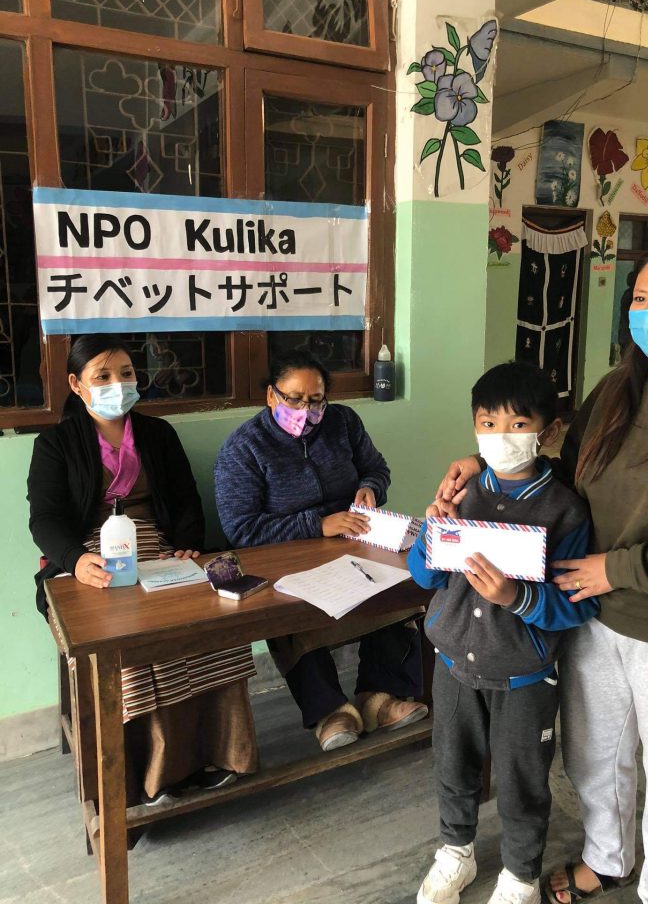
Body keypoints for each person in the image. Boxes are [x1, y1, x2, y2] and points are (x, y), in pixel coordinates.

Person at [436, 233, 648, 904]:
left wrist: (615, 569)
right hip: (588, 612)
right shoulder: (619, 389)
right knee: (595, 759)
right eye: (641, 298)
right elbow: (571, 473)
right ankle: (607, 860)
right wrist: (488, 464)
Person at [28, 335, 258, 805]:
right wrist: (76, 561)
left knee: (211, 621)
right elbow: (44, 518)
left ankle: (220, 754)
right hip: (92, 558)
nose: (118, 383)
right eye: (103, 376)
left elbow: (187, 499)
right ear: (75, 384)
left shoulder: (158, 434)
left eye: (126, 373)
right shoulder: (54, 443)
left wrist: (188, 545)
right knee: (129, 636)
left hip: (162, 550)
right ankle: (152, 777)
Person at [409, 361, 596, 904]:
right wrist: (434, 531)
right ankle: (456, 852)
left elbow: (578, 605)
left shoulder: (565, 511)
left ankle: (520, 875)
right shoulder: (463, 492)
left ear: (548, 431)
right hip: (452, 666)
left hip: (523, 676)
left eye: (517, 425)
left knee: (521, 781)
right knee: (453, 766)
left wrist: (516, 597)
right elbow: (426, 577)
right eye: (488, 424)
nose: (500, 437)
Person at [214, 348, 427, 752]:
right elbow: (241, 528)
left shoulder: (343, 422)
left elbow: (376, 468)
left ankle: (380, 697)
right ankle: (330, 711)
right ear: (271, 395)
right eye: (294, 398)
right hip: (284, 554)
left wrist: (370, 488)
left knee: (397, 585)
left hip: (352, 542)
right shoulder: (244, 447)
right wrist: (318, 524)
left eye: (315, 400)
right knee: (290, 610)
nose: (305, 410)